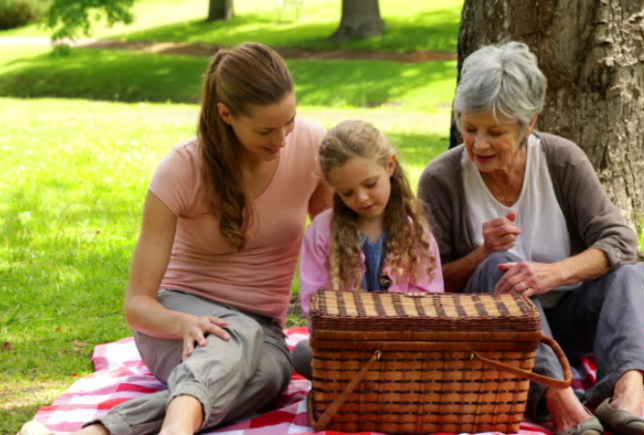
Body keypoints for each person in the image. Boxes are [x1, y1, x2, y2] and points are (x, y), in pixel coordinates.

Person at [22, 43, 333, 435]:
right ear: (226, 115)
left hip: (263, 330)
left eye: (289, 121)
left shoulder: (311, 149)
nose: (283, 139)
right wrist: (185, 324)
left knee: (272, 376)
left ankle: (98, 433)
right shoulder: (182, 169)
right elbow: (138, 305)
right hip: (175, 319)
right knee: (235, 336)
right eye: (266, 130)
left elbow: (334, 247)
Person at [418, 41, 644, 435]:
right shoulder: (441, 180)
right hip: (499, 335)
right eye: (470, 127)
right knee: (498, 264)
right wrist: (481, 254)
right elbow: (427, 287)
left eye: (495, 132)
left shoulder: (562, 160)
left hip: (570, 323)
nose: (478, 144)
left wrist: (554, 273)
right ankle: (559, 402)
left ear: (528, 124)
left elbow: (620, 241)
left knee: (632, 271)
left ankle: (625, 396)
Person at [291, 120, 444, 380]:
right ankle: (367, 385)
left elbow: (429, 299)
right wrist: (351, 337)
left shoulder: (415, 233)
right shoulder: (320, 232)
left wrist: (392, 337)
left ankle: (370, 385)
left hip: (402, 347)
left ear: (390, 165)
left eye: (370, 184)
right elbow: (315, 302)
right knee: (303, 353)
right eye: (347, 192)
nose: (361, 198)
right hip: (347, 348)